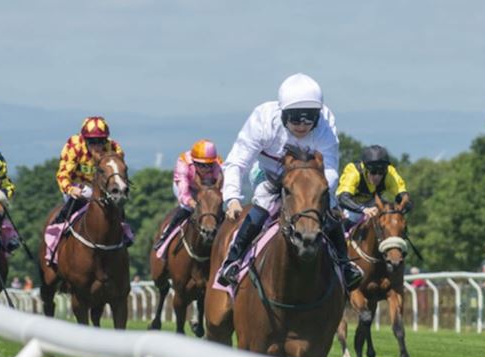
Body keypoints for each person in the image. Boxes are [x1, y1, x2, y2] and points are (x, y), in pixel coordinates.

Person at [218, 73, 362, 289]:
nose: (302, 125)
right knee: (262, 208)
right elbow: (237, 162)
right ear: (282, 112)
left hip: (311, 180)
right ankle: (233, 261)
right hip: (269, 174)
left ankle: (344, 265)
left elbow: (330, 169)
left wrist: (320, 195)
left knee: (331, 213)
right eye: (295, 118)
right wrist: (232, 199)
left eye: (309, 118)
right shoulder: (263, 120)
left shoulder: (325, 123)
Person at [153, 139, 223, 251]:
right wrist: (191, 202)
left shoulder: (218, 164)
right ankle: (165, 236)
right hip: (186, 187)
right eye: (202, 165)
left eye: (209, 165)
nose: (206, 169)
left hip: (206, 188)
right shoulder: (183, 163)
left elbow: (223, 187)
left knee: (215, 208)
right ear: (194, 162)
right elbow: (183, 190)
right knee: (187, 208)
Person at [53, 116, 124, 224]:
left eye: (101, 141)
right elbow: (63, 174)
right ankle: (59, 226)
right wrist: (70, 189)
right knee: (85, 194)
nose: (97, 146)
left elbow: (118, 172)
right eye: (92, 141)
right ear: (85, 140)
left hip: (102, 188)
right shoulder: (74, 146)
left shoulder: (114, 148)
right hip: (77, 187)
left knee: (118, 206)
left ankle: (124, 229)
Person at [336, 145, 412, 229]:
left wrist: (404, 204)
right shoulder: (353, 171)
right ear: (365, 168)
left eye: (381, 172)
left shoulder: (389, 173)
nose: (377, 176)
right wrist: (363, 209)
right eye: (373, 172)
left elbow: (403, 195)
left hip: (373, 203)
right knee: (351, 218)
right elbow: (343, 198)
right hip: (350, 206)